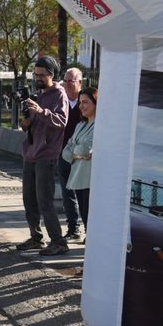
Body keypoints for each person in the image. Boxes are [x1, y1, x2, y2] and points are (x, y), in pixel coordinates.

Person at [16, 56, 70, 256]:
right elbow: (26, 125)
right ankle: (36, 238)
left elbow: (61, 121)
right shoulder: (37, 94)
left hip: (46, 155)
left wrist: (41, 111)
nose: (37, 78)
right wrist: (26, 122)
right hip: (30, 153)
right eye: (35, 74)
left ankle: (58, 242)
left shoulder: (59, 95)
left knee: (44, 200)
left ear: (51, 74)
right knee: (28, 199)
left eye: (41, 75)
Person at [61, 87, 97, 240]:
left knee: (91, 216)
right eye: (80, 102)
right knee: (84, 214)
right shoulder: (79, 126)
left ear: (96, 103)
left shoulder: (101, 126)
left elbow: (86, 149)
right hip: (78, 176)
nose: (81, 106)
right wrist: (79, 154)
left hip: (90, 179)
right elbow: (65, 152)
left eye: (86, 102)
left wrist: (76, 152)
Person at [58, 68, 84, 241]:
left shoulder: (87, 101)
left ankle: (89, 229)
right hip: (64, 153)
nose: (67, 84)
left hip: (83, 155)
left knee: (84, 193)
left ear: (80, 82)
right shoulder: (61, 100)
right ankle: (73, 228)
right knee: (67, 192)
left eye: (71, 81)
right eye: (65, 81)